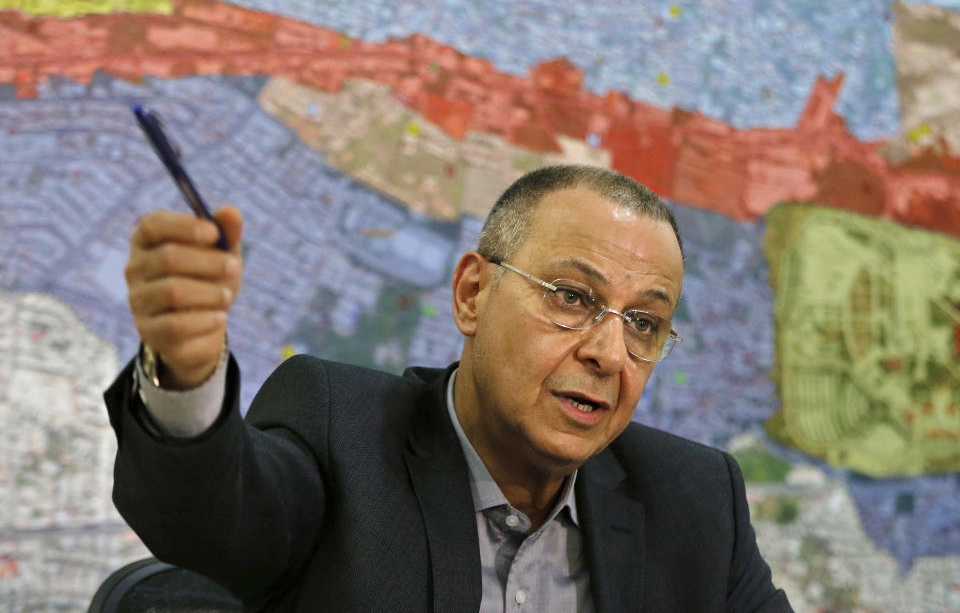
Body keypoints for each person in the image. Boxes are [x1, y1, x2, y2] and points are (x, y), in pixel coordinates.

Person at [105, 165, 793, 611]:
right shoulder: (340, 432)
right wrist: (185, 376)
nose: (610, 353)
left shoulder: (695, 500)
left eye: (644, 323)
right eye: (573, 297)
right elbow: (205, 521)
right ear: (471, 293)